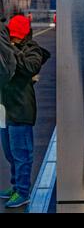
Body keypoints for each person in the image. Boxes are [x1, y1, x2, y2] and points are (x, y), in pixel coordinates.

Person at [0, 15, 50, 208]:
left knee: (21, 153)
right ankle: (15, 185)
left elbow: (30, 67)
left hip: (21, 109)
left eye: (15, 38)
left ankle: (23, 191)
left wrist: (10, 51)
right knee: (10, 152)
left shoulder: (32, 49)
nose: (12, 40)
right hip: (5, 108)